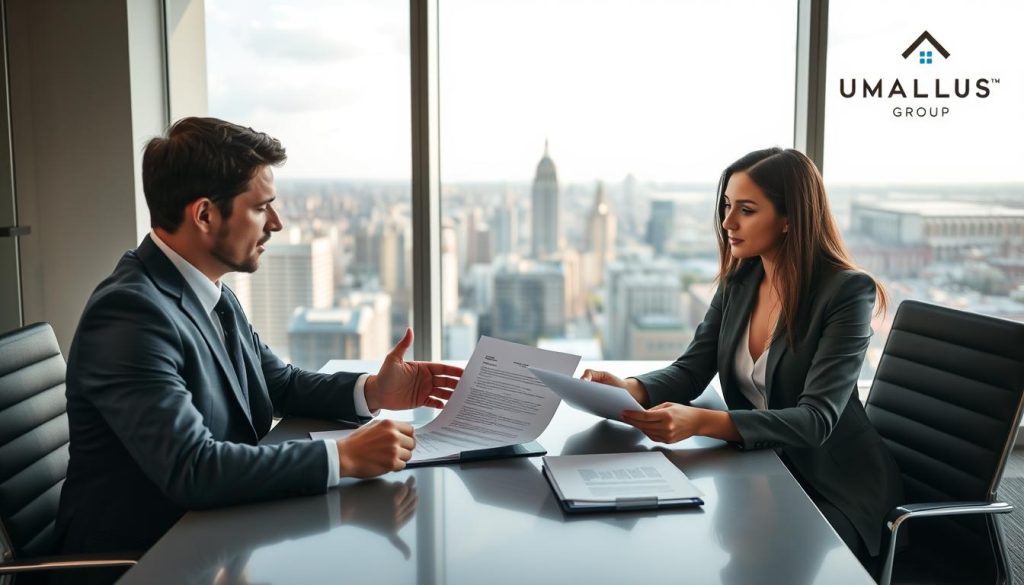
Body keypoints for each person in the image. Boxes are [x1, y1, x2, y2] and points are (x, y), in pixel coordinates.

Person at [54, 117, 462, 578]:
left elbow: (279, 383)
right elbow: (194, 468)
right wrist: (342, 456)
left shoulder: (211, 291)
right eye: (261, 207)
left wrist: (372, 392)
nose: (277, 222)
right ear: (205, 215)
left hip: (216, 538)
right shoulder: (130, 314)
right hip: (146, 561)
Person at [583, 147, 903, 571]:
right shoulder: (741, 279)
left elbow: (816, 420)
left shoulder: (846, 293)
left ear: (790, 219)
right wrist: (630, 389)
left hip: (833, 483)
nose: (727, 222)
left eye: (746, 210)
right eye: (727, 206)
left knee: (763, 567)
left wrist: (700, 422)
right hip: (762, 467)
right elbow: (691, 369)